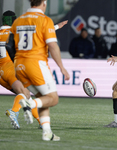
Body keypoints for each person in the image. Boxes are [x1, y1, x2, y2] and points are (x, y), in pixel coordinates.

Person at [9, 0, 70, 141]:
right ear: (44, 2)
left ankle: (47, 133)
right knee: (53, 99)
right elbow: (53, 46)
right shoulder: (45, 19)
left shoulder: (18, 21)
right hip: (35, 63)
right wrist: (62, 67)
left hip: (19, 65)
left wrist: (17, 61)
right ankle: (29, 104)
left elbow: (10, 45)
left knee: (43, 98)